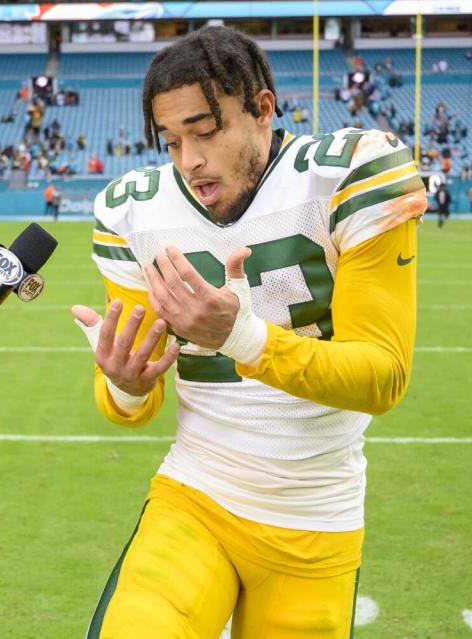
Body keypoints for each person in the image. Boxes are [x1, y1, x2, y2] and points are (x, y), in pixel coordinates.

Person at [72, 27, 425, 639]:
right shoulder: (134, 210)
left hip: (316, 516)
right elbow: (132, 406)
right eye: (172, 139)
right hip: (195, 496)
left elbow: (383, 376)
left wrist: (243, 338)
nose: (190, 160)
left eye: (206, 131)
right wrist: (125, 384)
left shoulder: (346, 174)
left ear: (262, 109)